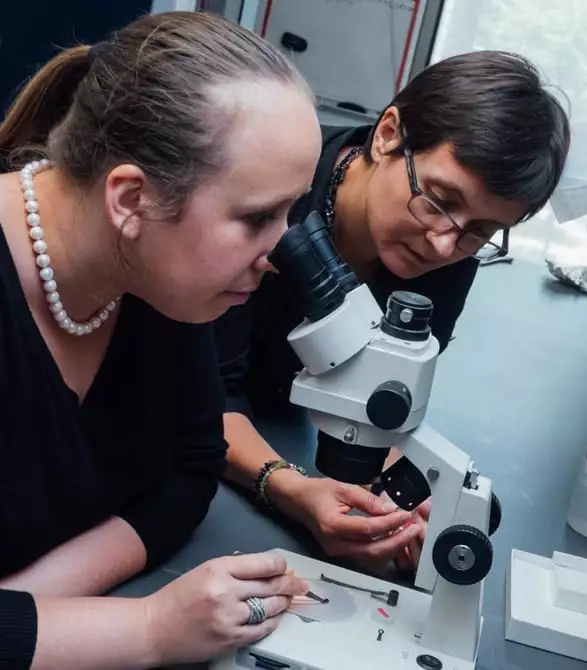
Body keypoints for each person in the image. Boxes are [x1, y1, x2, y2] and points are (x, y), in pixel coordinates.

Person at [0, 11, 323, 669]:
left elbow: (192, 464)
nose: (281, 252)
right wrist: (144, 630)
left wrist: (30, 604)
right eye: (257, 217)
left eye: (291, 212)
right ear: (131, 199)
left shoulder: (154, 278)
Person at [215, 50, 571, 571]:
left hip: (285, 426)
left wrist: (408, 502)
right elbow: (205, 392)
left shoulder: (452, 250)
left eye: (481, 231)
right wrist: (289, 488)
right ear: (387, 135)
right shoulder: (273, 197)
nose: (445, 246)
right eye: (440, 199)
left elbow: (379, 393)